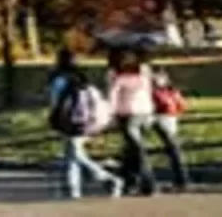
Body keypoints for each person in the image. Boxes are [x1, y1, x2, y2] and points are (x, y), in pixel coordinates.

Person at [48, 49, 122, 199]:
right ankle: (73, 189)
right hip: (87, 120)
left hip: (69, 121)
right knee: (72, 154)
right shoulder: (82, 78)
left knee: (75, 153)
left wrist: (55, 119)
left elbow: (55, 102)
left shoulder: (59, 79)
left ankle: (108, 178)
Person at [108, 47, 157, 196]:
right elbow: (149, 93)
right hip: (144, 113)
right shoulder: (143, 77)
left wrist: (111, 116)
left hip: (128, 115)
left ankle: (149, 184)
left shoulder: (119, 79)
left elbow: (113, 98)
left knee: (138, 151)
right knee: (131, 151)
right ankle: (129, 181)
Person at [152, 67, 190, 192]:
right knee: (174, 149)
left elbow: (174, 105)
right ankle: (181, 180)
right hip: (170, 118)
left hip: (163, 118)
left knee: (173, 149)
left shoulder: (159, 91)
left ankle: (181, 181)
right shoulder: (171, 91)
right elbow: (182, 106)